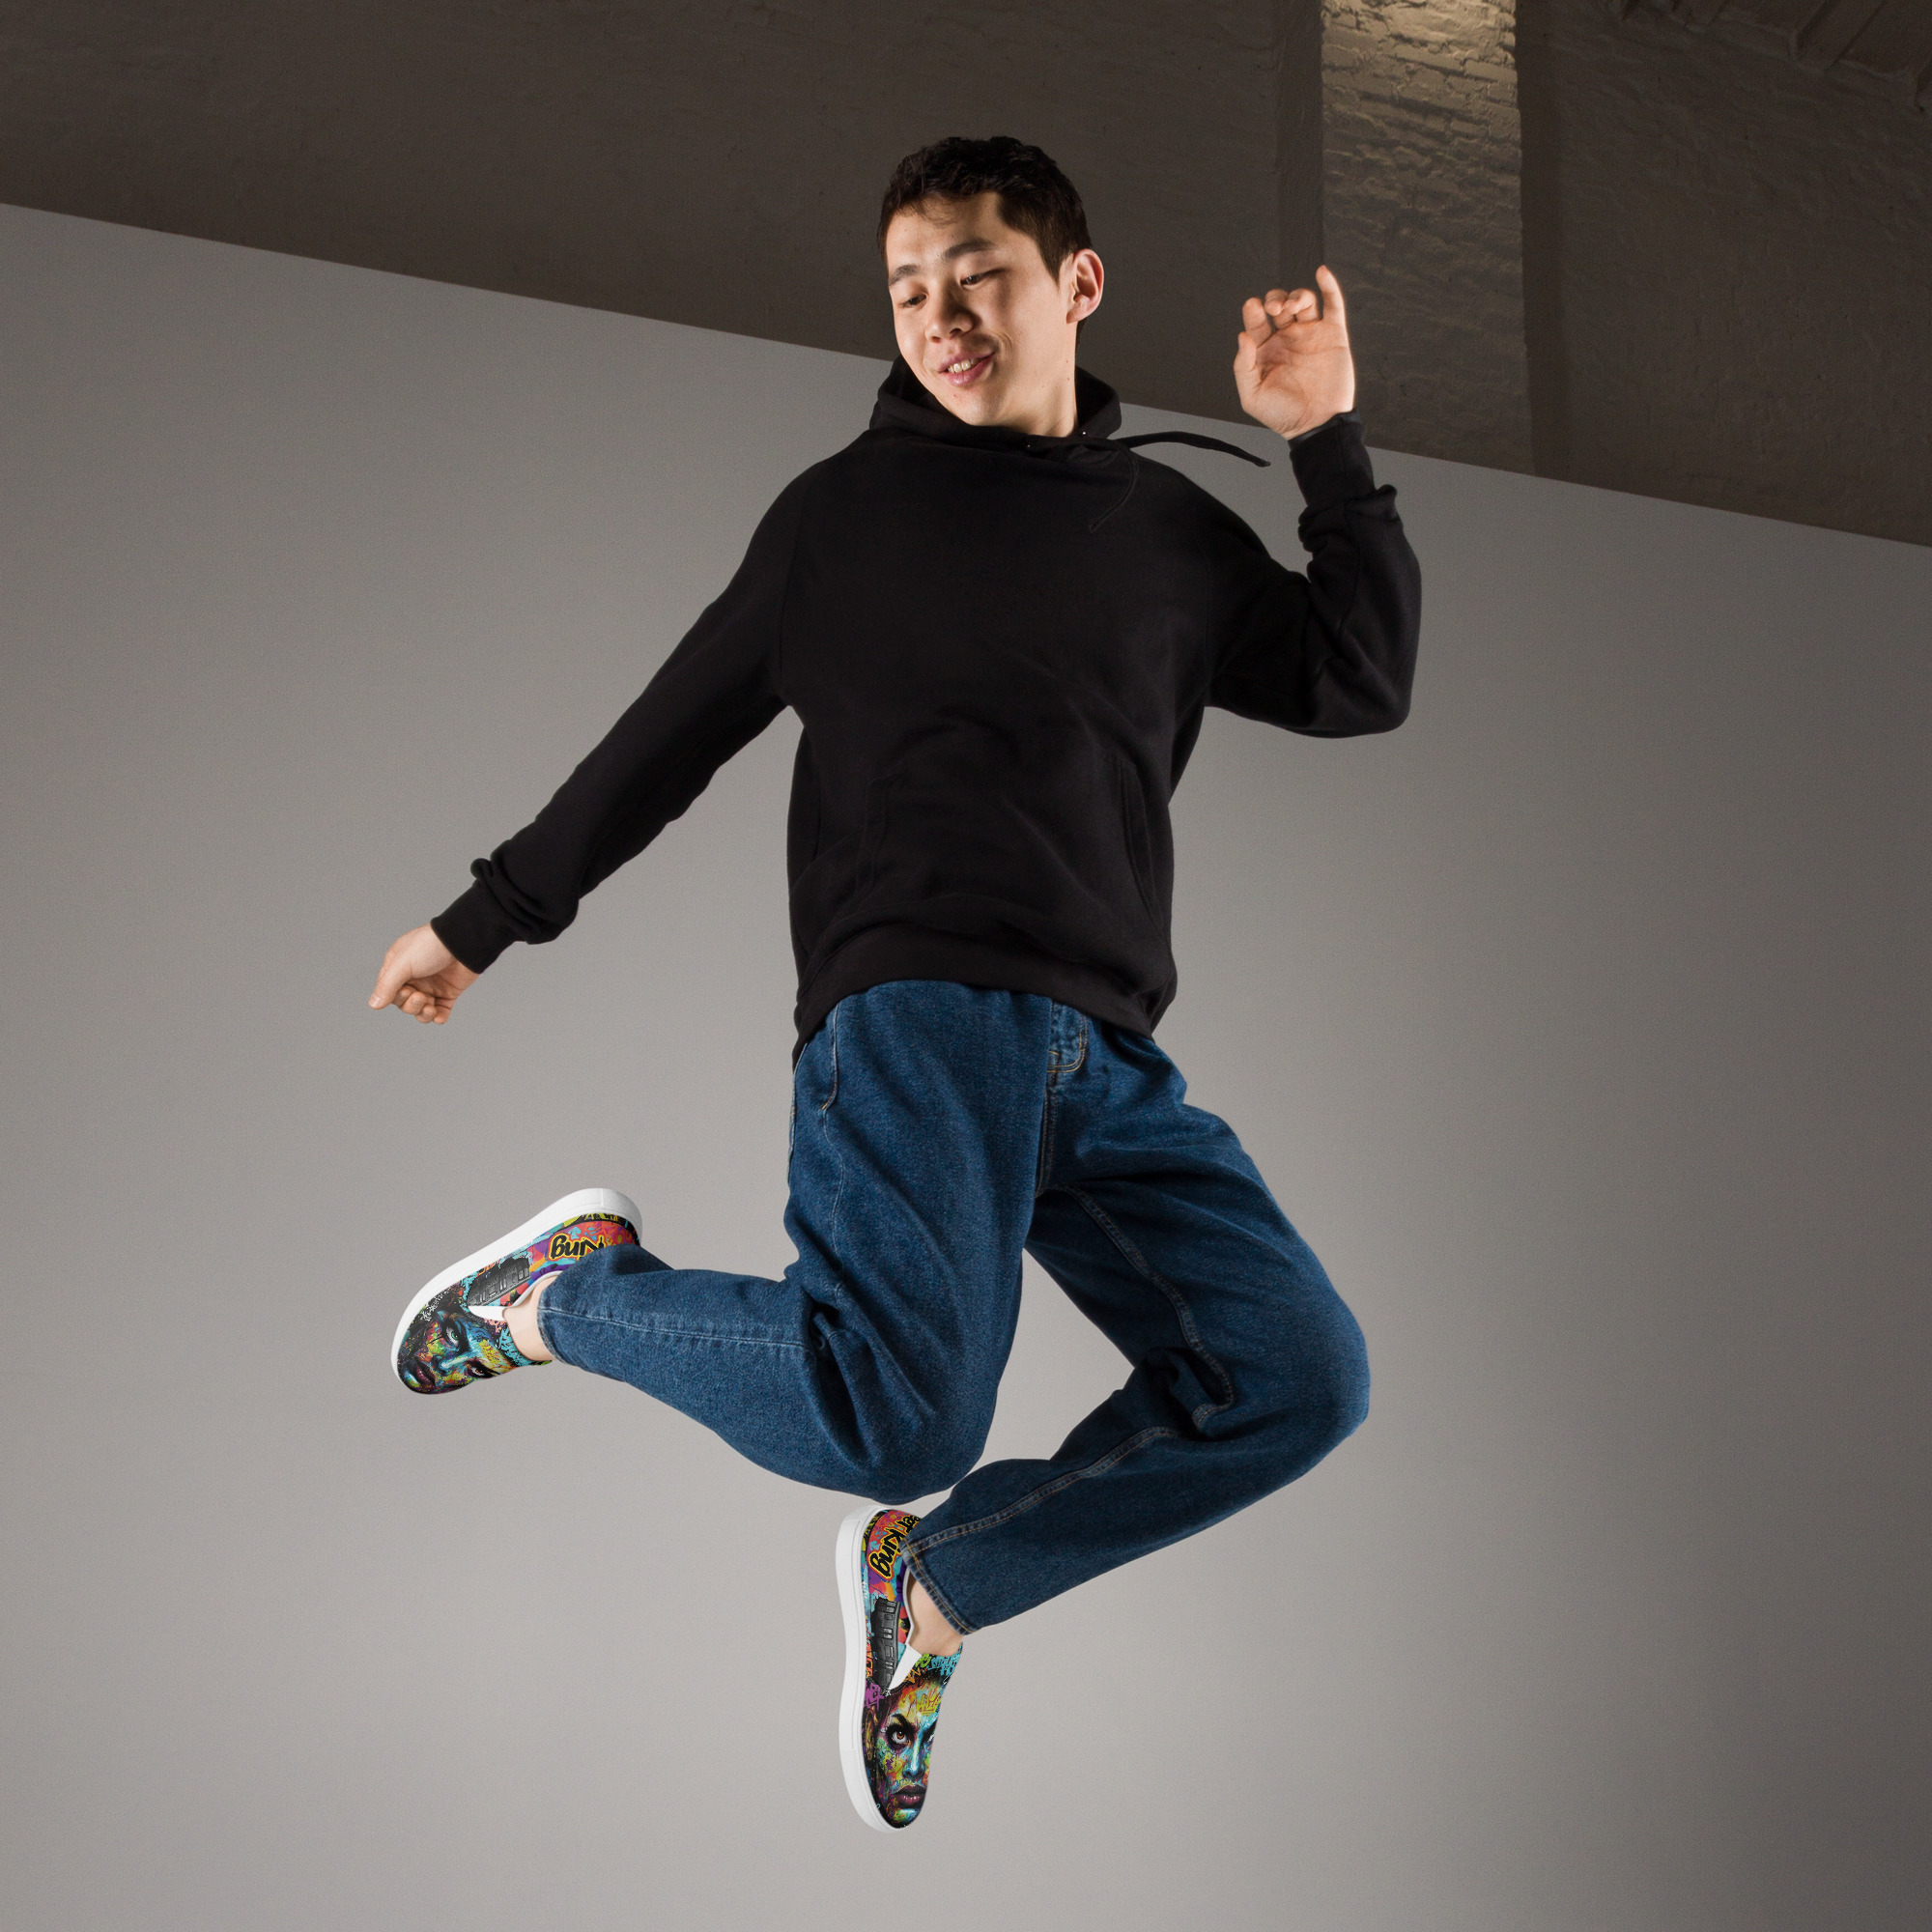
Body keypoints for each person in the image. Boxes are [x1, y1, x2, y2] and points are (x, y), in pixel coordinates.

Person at [370, 135, 1421, 1832]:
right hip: (916, 1012)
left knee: (1297, 1377)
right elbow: (665, 740)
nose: (941, 318)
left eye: (978, 276)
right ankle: (562, 1299)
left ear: (1077, 285)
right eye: (909, 290)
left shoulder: (1168, 532)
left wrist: (1326, 439)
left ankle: (935, 1587)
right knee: (893, 1418)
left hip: (1103, 1058)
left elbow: (1360, 678)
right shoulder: (841, 520)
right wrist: (484, 921)